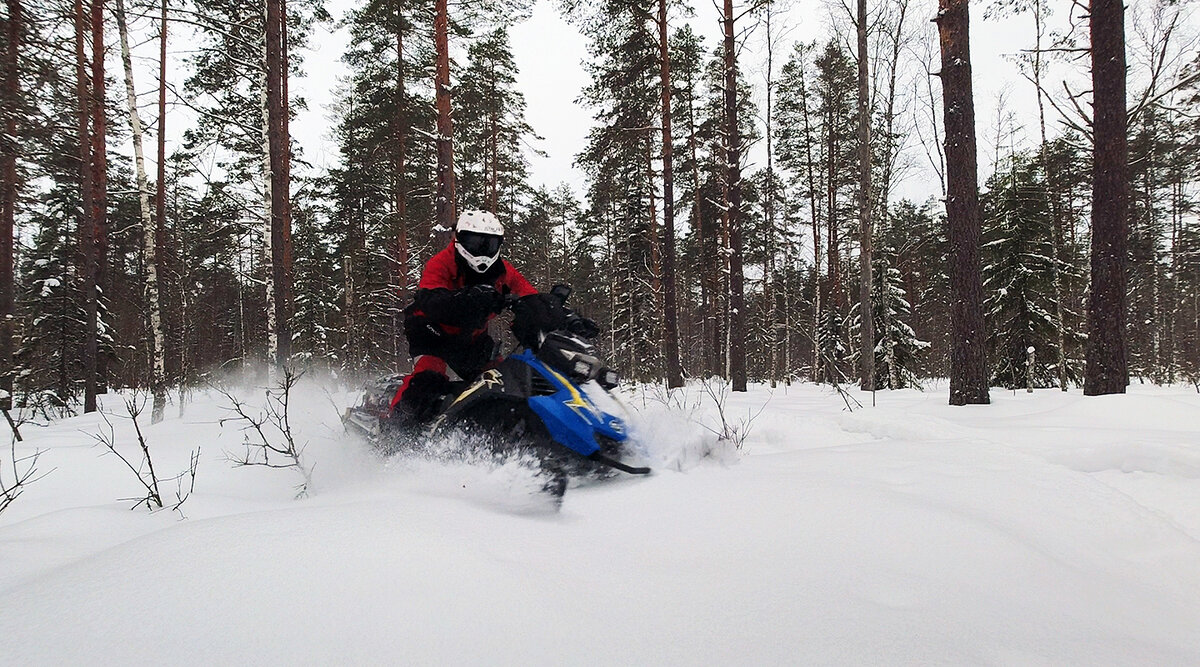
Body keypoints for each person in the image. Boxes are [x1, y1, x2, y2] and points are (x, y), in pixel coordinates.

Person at [392, 209, 564, 422]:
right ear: (460, 240)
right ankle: (394, 429)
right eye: (475, 242)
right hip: (431, 332)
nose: (482, 250)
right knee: (429, 378)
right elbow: (431, 302)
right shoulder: (442, 263)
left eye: (489, 244)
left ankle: (499, 432)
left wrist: (558, 313)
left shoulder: (502, 271)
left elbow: (529, 296)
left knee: (506, 381)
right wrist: (471, 298)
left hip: (471, 338)